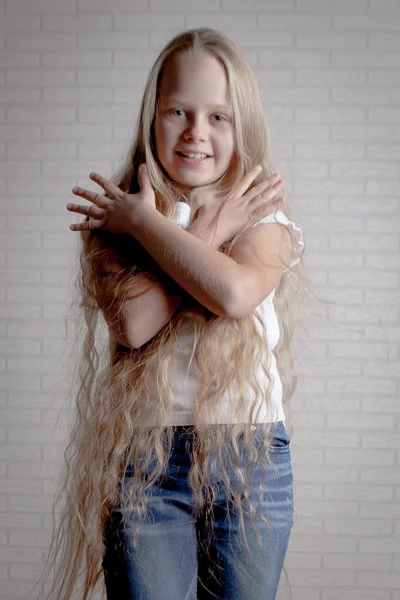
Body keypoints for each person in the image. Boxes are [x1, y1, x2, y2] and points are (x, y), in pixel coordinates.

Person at [35, 28, 309, 600]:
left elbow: (231, 294)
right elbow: (136, 325)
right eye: (178, 112)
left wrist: (151, 227)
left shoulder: (264, 221)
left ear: (243, 125)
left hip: (250, 456)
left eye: (218, 117)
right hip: (149, 464)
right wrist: (158, 224)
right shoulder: (119, 219)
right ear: (151, 117)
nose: (196, 134)